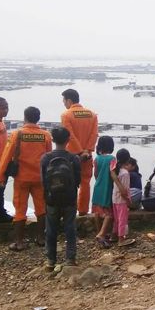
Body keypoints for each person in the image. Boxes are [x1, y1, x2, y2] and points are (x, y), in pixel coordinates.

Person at [0, 106, 52, 251]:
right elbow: (48, 157)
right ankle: (40, 238)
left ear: (25, 118)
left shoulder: (17, 134)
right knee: (41, 208)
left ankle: (19, 242)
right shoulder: (46, 135)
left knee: (20, 209)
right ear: (38, 118)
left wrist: (0, 176)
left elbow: (6, 156)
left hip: (21, 178)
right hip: (39, 178)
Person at [40, 127, 81, 272]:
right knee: (70, 227)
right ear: (68, 140)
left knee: (51, 229)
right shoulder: (74, 158)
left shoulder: (45, 158)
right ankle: (70, 258)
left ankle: (50, 260)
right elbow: (78, 180)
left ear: (52, 139)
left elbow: (43, 181)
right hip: (69, 198)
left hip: (51, 199)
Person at [61, 88, 99, 216]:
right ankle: (83, 210)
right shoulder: (92, 114)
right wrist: (87, 151)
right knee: (85, 183)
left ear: (69, 100)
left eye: (64, 101)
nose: (64, 103)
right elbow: (94, 135)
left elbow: (69, 136)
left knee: (69, 183)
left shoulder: (66, 115)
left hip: (71, 156)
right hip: (87, 156)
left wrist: (79, 151)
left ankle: (70, 210)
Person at [92, 136, 116, 248]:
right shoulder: (112, 159)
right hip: (107, 186)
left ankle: (99, 232)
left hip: (98, 186)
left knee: (97, 211)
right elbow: (113, 174)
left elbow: (95, 174)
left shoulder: (97, 159)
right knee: (108, 213)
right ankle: (102, 234)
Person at [110, 148, 135, 247]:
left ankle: (114, 235)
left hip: (115, 198)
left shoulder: (115, 170)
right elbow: (124, 190)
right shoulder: (124, 173)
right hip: (121, 200)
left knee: (117, 218)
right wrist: (128, 200)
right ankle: (121, 239)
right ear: (128, 159)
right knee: (122, 219)